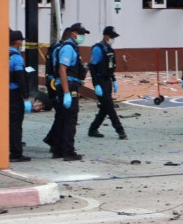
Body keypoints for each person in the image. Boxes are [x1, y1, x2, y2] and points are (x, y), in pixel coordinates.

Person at [50, 23, 88, 161]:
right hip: (68, 86)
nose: (83, 37)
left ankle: (58, 150)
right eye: (81, 34)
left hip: (69, 85)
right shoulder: (68, 48)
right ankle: (68, 151)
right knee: (70, 119)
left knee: (62, 118)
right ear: (73, 34)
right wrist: (67, 92)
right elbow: (62, 70)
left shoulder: (71, 47)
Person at [88, 26, 127, 140]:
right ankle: (120, 130)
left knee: (105, 107)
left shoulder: (109, 49)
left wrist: (114, 80)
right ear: (105, 36)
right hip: (100, 81)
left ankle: (93, 129)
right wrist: (96, 85)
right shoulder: (97, 49)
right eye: (111, 37)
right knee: (109, 106)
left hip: (107, 80)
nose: (113, 39)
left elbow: (110, 67)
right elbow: (92, 67)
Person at [9, 30, 32, 162]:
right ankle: (16, 153)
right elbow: (20, 79)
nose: (22, 43)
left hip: (4, 93)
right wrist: (25, 97)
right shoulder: (17, 58)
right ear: (17, 41)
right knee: (16, 124)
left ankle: (9, 148)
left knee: (8, 123)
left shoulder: (3, 54)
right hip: (15, 94)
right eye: (21, 40)